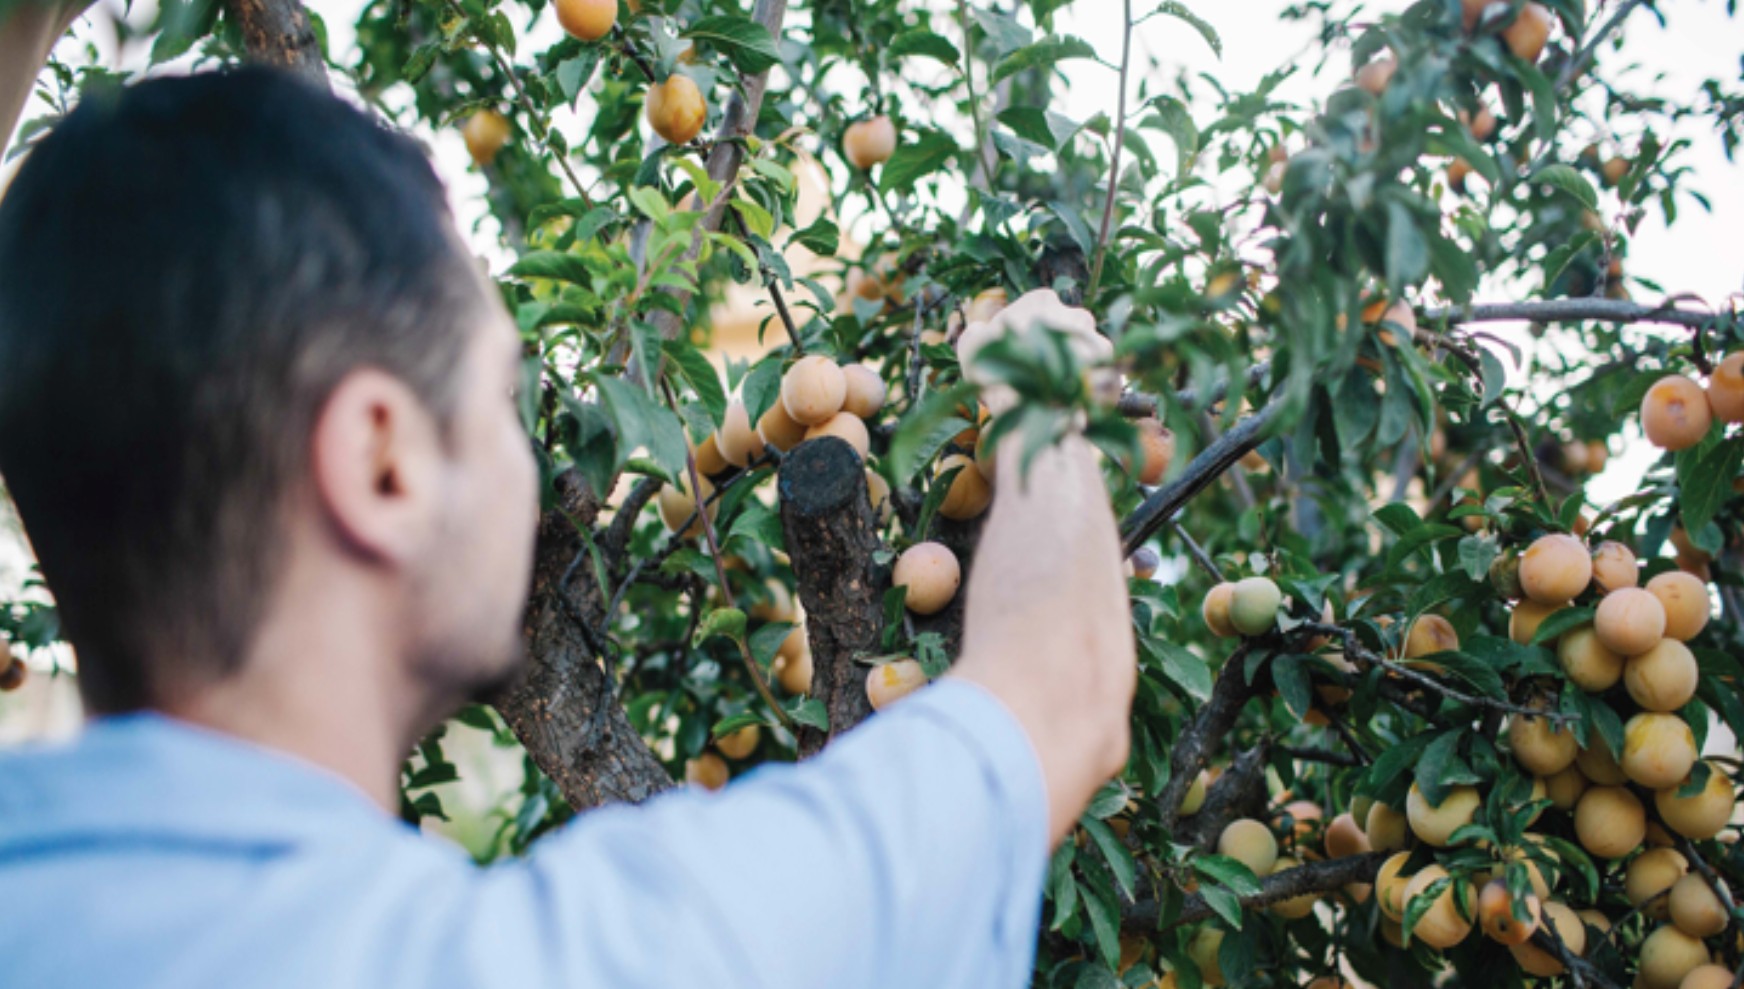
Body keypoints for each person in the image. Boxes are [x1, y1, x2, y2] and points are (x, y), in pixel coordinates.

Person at [0, 24, 1136, 989]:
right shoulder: (601, 954)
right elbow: (1062, 690)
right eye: (498, 397)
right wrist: (1038, 388)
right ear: (382, 465)